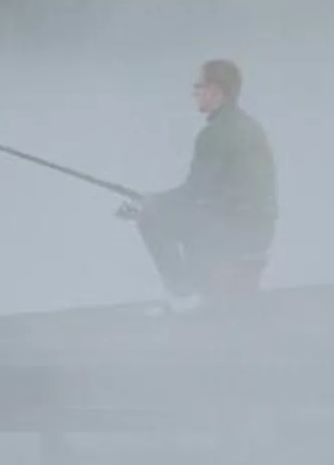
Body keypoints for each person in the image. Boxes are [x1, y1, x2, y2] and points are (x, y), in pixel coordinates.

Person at [117, 58, 276, 302]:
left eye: (198, 87)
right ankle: (203, 285)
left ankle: (183, 289)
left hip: (235, 229)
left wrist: (151, 203)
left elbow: (195, 192)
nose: (195, 94)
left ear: (215, 91)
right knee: (190, 217)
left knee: (151, 218)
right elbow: (212, 193)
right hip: (259, 227)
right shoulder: (249, 126)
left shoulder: (214, 134)